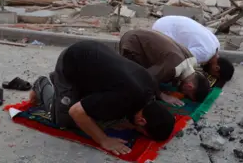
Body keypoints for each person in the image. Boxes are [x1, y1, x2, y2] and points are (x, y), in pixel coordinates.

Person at [29, 41, 175, 155]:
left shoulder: (149, 89)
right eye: (141, 131)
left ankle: (64, 88)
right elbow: (76, 112)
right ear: (142, 121)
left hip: (95, 56)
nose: (135, 130)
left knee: (101, 113)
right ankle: (43, 85)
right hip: (72, 61)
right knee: (63, 120)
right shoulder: (123, 99)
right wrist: (103, 140)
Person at [119, 29, 211, 106]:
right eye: (187, 94)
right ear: (189, 86)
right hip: (132, 42)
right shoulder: (173, 66)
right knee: (135, 81)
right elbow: (146, 77)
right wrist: (162, 95)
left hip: (140, 33)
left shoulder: (191, 58)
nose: (183, 94)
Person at [152, 16, 235, 86]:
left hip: (168, 20)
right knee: (168, 63)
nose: (209, 75)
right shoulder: (205, 54)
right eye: (213, 75)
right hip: (163, 30)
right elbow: (181, 62)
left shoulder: (216, 45)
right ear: (216, 68)